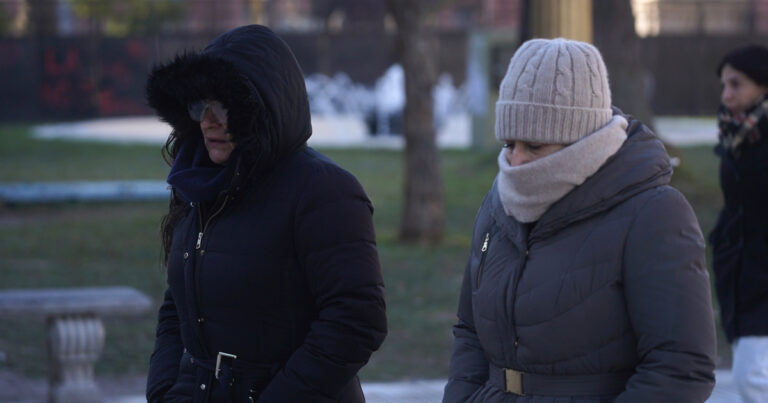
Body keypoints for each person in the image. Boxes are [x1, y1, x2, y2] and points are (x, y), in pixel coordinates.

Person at [443, 38, 717, 402]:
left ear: (582, 139)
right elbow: (470, 332)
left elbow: (680, 367)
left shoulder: (653, 213)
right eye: (509, 144)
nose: (517, 162)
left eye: (535, 145)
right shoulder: (498, 204)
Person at [144, 25, 387, 403]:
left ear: (263, 106)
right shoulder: (199, 183)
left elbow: (355, 322)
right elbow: (179, 305)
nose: (209, 120)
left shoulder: (323, 191)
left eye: (224, 106)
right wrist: (166, 391)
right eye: (200, 105)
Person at [710, 44, 768, 403]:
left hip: (759, 275)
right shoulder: (737, 136)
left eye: (736, 84)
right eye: (723, 85)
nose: (726, 95)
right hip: (743, 272)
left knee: (752, 376)